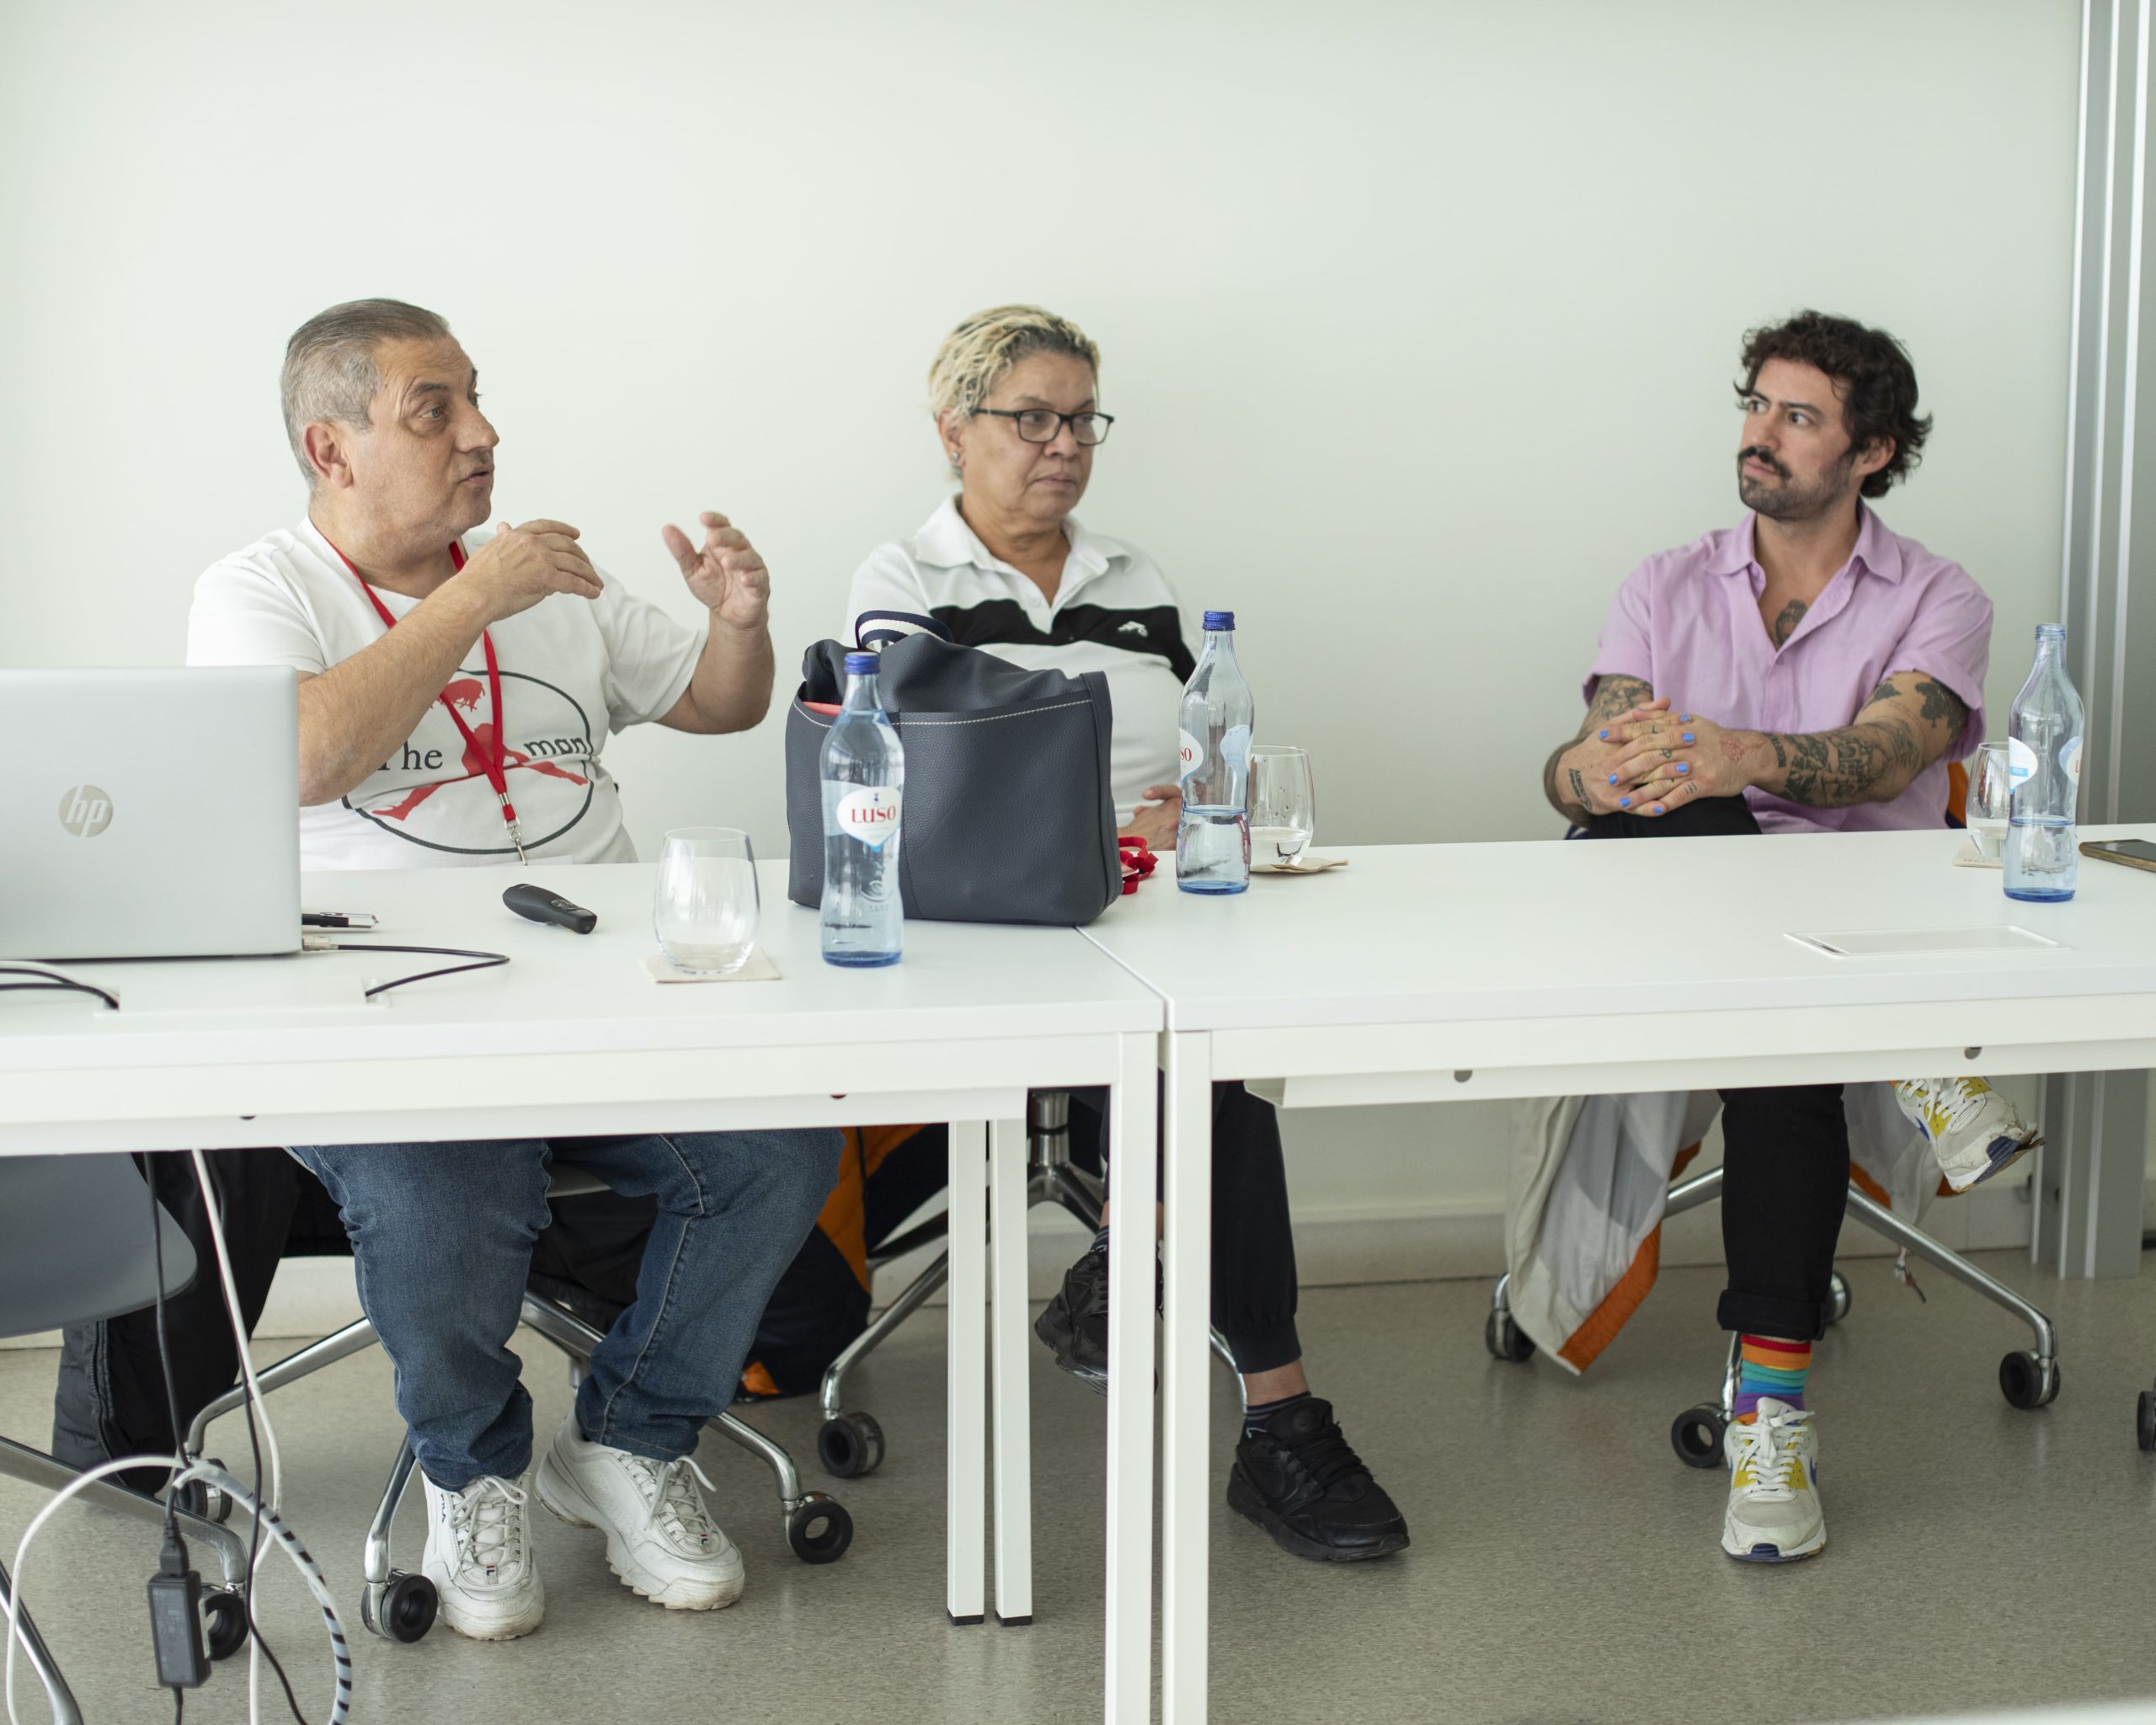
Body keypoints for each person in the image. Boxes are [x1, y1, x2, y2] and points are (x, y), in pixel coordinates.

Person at [186, 298, 841, 1639]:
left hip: (608, 998)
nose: (482, 433)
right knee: (447, 1189)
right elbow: (301, 759)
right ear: (330, 446)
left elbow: (720, 702)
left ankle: (632, 1440)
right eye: (435, 410)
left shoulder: (548, 583)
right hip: (378, 1020)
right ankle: (471, 1469)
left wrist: (739, 622)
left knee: (780, 1147)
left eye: (478, 398)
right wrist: (476, 595)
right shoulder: (259, 591)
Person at [846, 305, 1407, 1563]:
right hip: (983, 933)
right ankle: (1192, 1312)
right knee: (1192, 1097)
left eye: (1082, 420)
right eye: (1031, 418)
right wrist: (1096, 813)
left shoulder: (1134, 578)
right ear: (954, 431)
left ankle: (1241, 1383)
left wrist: (1198, 802)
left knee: (1215, 1083)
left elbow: (1203, 736)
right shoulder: (904, 581)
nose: (1064, 444)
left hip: (1144, 906)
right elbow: (923, 772)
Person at [1540, 309, 2034, 1564]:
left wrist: (1738, 755)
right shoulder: (1663, 583)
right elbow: (1599, 761)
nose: (1760, 434)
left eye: (1798, 416)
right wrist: (1586, 775)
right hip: (1683, 915)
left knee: (1784, 1051)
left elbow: (1893, 753)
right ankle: (1912, 1067)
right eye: (1755, 404)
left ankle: (1772, 1414)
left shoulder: (1940, 596)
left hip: (1869, 915)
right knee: (1690, 819)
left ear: (1871, 452)